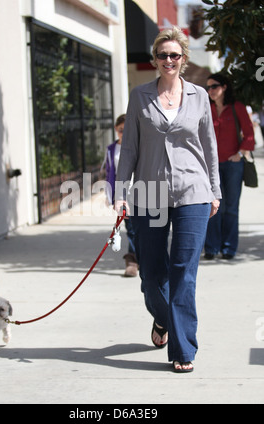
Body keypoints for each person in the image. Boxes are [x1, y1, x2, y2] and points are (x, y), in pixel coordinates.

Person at [115, 27, 221, 373]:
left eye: (175, 55)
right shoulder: (140, 96)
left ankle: (182, 349)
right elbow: (129, 146)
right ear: (155, 60)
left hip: (193, 192)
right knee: (152, 274)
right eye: (163, 55)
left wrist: (215, 190)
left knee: (183, 272)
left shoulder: (199, 97)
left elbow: (209, 147)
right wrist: (120, 193)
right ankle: (163, 318)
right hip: (150, 193)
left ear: (184, 59)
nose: (169, 60)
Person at [204, 73, 255, 260]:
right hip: (210, 166)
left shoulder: (237, 107)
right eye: (208, 87)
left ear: (224, 87)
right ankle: (211, 247)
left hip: (233, 165)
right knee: (212, 206)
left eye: (214, 86)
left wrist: (240, 153)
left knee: (231, 208)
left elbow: (249, 135)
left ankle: (228, 248)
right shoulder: (205, 108)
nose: (210, 91)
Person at [105, 114, 138, 277]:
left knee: (144, 227)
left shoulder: (138, 146)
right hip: (123, 194)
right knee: (131, 229)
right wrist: (110, 195)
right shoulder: (112, 149)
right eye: (120, 130)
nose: (123, 134)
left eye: (127, 130)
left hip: (141, 190)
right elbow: (109, 173)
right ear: (116, 130)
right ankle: (132, 261)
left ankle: (143, 259)